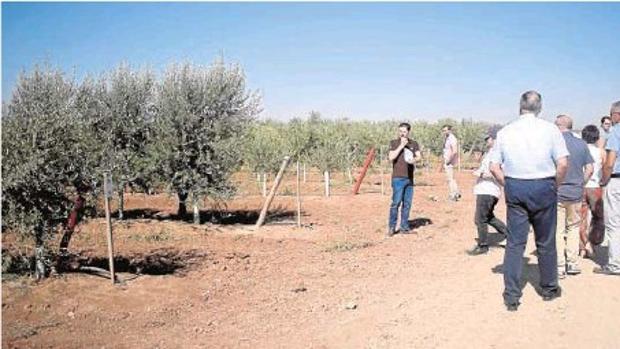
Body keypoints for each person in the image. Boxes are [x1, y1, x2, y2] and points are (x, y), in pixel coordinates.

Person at [489, 91, 569, 311]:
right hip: (544, 185)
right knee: (545, 240)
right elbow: (562, 164)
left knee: (515, 243)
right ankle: (549, 288)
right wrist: (556, 185)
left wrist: (509, 184)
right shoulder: (550, 129)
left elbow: (494, 166)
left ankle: (512, 295)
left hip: (516, 185)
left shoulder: (505, 132)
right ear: (540, 107)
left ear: (520, 106)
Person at [554, 115, 594, 278]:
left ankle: (559, 265)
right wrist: (580, 183)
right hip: (576, 193)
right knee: (573, 228)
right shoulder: (581, 144)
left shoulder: (554, 143)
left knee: (558, 230)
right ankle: (572, 262)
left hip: (558, 192)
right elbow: (590, 169)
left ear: (558, 125)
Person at [467, 128, 508, 255]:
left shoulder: (499, 153)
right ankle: (509, 235)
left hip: (489, 190)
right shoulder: (491, 152)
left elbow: (501, 171)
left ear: (495, 139)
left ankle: (483, 245)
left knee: (480, 219)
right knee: (488, 216)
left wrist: (484, 174)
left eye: (488, 138)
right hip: (484, 188)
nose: (486, 140)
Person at [595, 100, 620, 276]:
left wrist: (604, 179)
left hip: (617, 180)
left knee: (614, 223)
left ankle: (615, 264)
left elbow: (610, 162)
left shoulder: (616, 131)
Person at [387, 122, 421, 237]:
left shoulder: (414, 144)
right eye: (400, 131)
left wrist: (414, 160)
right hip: (398, 178)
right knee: (396, 203)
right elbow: (391, 157)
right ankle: (392, 227)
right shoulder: (394, 143)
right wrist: (401, 146)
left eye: (404, 132)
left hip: (409, 178)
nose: (402, 134)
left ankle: (404, 227)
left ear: (408, 132)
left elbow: (419, 156)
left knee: (407, 204)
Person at [579, 125, 606, 258]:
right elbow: (606, 168)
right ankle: (593, 242)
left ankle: (583, 245)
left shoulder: (580, 150)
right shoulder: (601, 152)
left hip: (582, 186)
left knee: (581, 218)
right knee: (598, 217)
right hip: (595, 186)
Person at [441, 125, 461, 201]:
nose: (444, 132)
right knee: (451, 178)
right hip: (448, 160)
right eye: (443, 130)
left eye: (445, 130)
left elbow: (454, 151)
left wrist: (449, 160)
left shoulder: (452, 139)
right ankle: (456, 192)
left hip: (449, 161)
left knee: (450, 179)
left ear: (450, 130)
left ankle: (453, 195)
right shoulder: (448, 138)